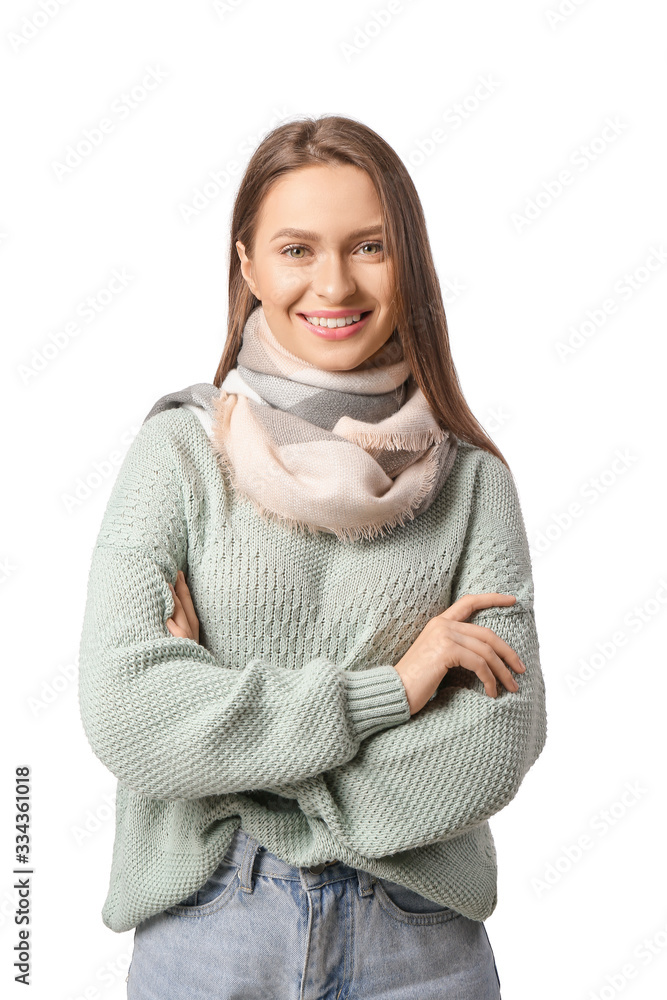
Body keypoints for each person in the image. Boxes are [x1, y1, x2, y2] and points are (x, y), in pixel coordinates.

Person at [77, 113, 547, 999]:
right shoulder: (177, 455)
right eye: (298, 249)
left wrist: (224, 766)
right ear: (247, 264)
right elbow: (126, 711)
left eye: (368, 245)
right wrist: (397, 690)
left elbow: (494, 743)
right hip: (209, 933)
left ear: (408, 260)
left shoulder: (473, 482)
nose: (334, 282)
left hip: (418, 945)